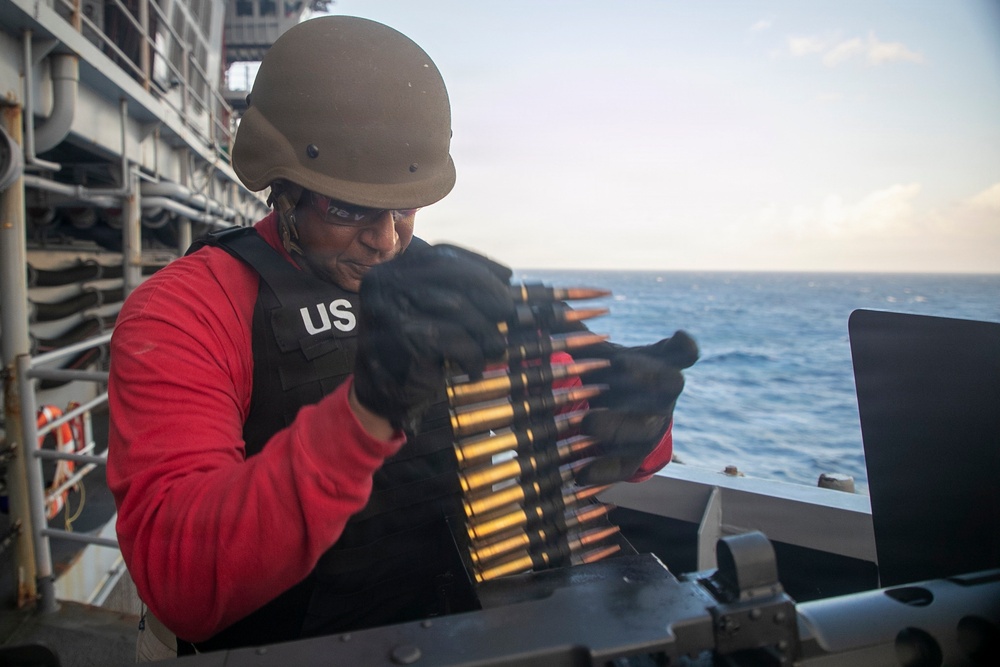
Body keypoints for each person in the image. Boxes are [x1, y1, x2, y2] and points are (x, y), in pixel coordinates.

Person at [106, 15, 697, 660]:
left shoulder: (445, 293)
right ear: (283, 189)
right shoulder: (188, 310)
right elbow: (181, 583)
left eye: (405, 206)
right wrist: (367, 414)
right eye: (348, 208)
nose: (386, 239)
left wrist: (638, 421)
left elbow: (590, 421)